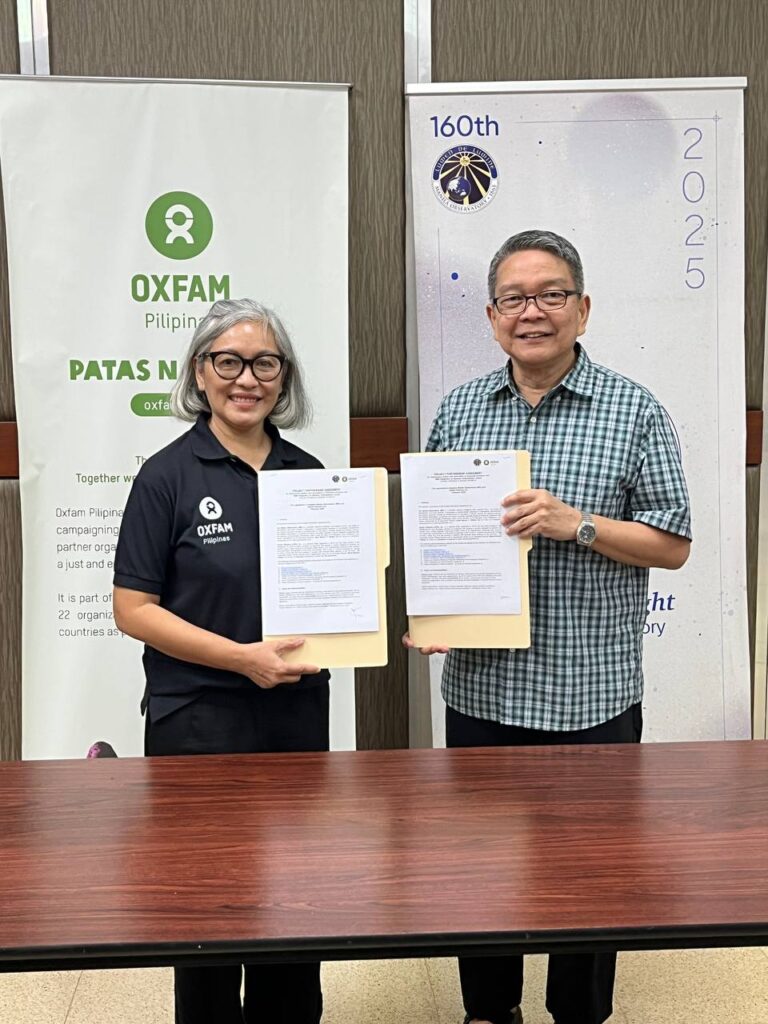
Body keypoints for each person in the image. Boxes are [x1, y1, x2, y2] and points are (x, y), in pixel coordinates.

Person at [405, 229, 691, 1024]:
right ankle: (487, 1012)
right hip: (483, 695)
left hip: (591, 699)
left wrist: (579, 524)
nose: (533, 312)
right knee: (481, 881)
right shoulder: (460, 409)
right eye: (515, 299)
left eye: (551, 294)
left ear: (583, 309)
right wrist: (433, 614)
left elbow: (673, 545)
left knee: (591, 890)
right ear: (493, 317)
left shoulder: (634, 410)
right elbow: (438, 538)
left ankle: (579, 1015)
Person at [113, 298, 329, 1024]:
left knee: (294, 915)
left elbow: (341, 600)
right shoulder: (166, 477)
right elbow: (133, 610)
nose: (247, 378)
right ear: (200, 373)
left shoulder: (312, 477)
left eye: (265, 363)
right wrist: (242, 661)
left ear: (284, 377)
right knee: (208, 918)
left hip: (295, 720)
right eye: (228, 361)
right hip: (197, 725)